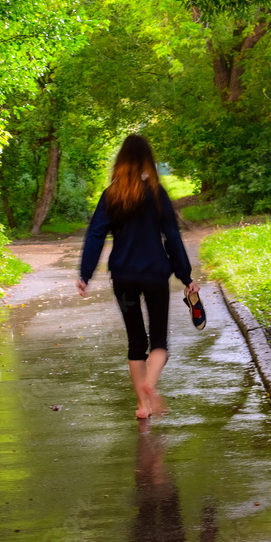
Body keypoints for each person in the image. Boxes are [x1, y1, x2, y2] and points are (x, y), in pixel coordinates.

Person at [76, 134, 200, 419]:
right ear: (147, 160)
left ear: (120, 161)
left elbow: (95, 235)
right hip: (155, 274)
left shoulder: (111, 195)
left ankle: (143, 407)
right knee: (159, 343)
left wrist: (85, 274)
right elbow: (172, 236)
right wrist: (185, 276)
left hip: (123, 276)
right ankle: (149, 385)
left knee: (135, 341)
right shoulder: (156, 193)